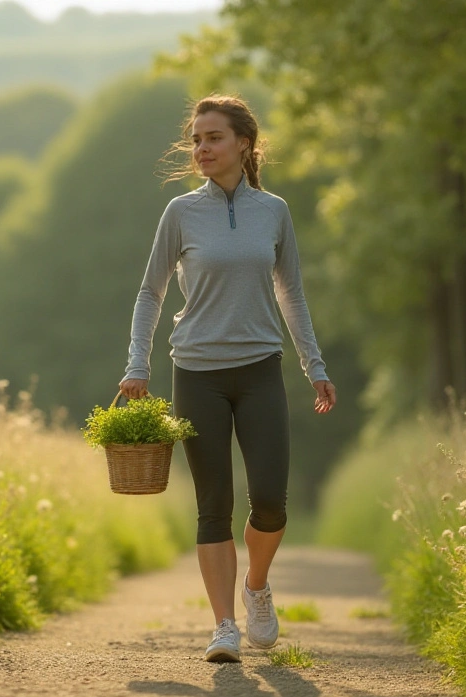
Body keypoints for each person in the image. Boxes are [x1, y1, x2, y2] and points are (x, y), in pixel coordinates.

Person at [118, 94, 336, 663]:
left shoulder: (274, 211)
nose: (201, 149)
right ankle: (223, 627)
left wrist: (316, 367)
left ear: (244, 142)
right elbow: (151, 292)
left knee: (270, 500)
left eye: (212, 137)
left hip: (261, 367)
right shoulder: (180, 213)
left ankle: (257, 587)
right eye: (195, 139)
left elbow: (292, 294)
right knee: (213, 503)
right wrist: (137, 364)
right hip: (196, 370)